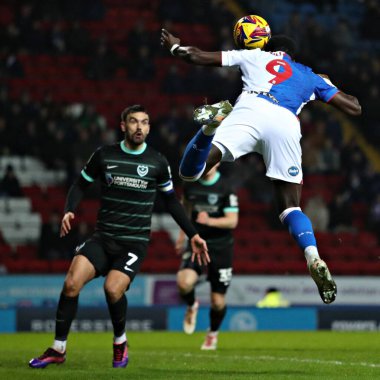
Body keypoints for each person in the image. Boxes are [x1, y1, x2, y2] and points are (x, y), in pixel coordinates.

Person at [161, 28, 362, 304]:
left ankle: (210, 127)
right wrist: (326, 84)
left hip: (250, 112)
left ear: (268, 48)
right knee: (290, 206)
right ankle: (313, 257)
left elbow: (196, 56)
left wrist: (175, 47)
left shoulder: (255, 55)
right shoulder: (308, 74)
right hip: (285, 124)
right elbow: (354, 108)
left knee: (191, 172)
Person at [29, 105, 209, 369]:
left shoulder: (157, 162)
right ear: (123, 126)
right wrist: (69, 209)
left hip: (133, 242)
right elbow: (80, 185)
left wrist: (193, 234)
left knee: (112, 289)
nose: (140, 127)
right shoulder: (104, 155)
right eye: (134, 122)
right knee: (70, 284)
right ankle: (58, 349)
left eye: (145, 122)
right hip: (103, 238)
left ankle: (120, 342)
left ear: (149, 127)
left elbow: (172, 202)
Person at [175, 163, 238, 350]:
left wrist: (209, 220)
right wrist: (181, 235)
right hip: (197, 242)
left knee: (217, 302)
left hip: (221, 247)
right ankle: (192, 304)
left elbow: (232, 221)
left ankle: (212, 334)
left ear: (218, 162)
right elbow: (184, 209)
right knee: (183, 283)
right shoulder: (190, 184)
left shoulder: (226, 188)